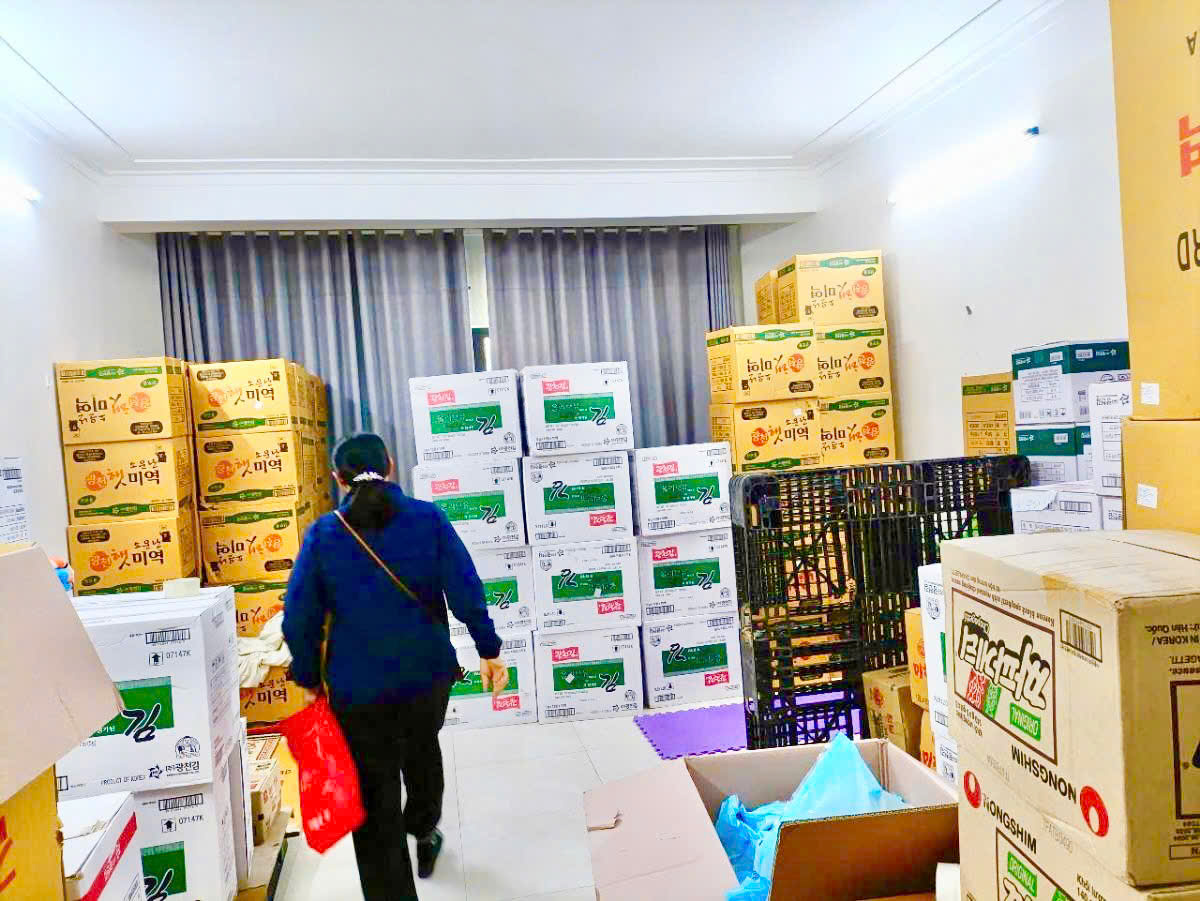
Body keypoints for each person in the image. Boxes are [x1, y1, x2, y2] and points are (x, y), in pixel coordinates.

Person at [283, 433, 509, 900]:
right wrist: (488, 648)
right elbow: (465, 589)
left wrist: (307, 678)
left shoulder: (324, 534)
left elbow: (298, 617)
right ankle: (424, 829)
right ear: (390, 464)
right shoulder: (428, 519)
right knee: (422, 748)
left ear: (337, 478)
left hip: (357, 690)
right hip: (426, 679)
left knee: (372, 793)